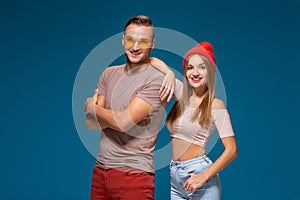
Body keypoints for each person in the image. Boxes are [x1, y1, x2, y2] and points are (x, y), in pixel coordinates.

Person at [84, 15, 174, 200]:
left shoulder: (157, 79)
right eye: (130, 40)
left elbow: (123, 122)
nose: (135, 47)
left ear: (152, 44)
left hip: (134, 176)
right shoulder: (109, 74)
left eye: (143, 42)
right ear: (123, 40)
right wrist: (102, 116)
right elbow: (90, 124)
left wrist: (92, 107)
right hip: (101, 172)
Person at [150, 42, 238, 199]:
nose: (195, 72)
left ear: (210, 72)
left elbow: (232, 150)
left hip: (200, 176)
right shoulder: (180, 94)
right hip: (176, 177)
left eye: (202, 67)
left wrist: (202, 177)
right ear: (185, 72)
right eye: (190, 67)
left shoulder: (216, 105)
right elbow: (151, 61)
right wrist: (169, 73)